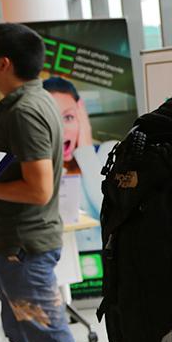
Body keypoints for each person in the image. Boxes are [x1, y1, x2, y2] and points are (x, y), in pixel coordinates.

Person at [0, 23, 85, 342]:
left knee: (52, 340)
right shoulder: (32, 100)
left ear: (2, 63)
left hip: (24, 249)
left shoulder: (27, 110)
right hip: (13, 245)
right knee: (24, 333)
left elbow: (39, 187)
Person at [43, 76, 115, 256]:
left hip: (111, 269)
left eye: (68, 117)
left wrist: (84, 148)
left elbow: (112, 213)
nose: (61, 129)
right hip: (65, 273)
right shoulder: (37, 168)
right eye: (50, 119)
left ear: (81, 116)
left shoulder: (109, 152)